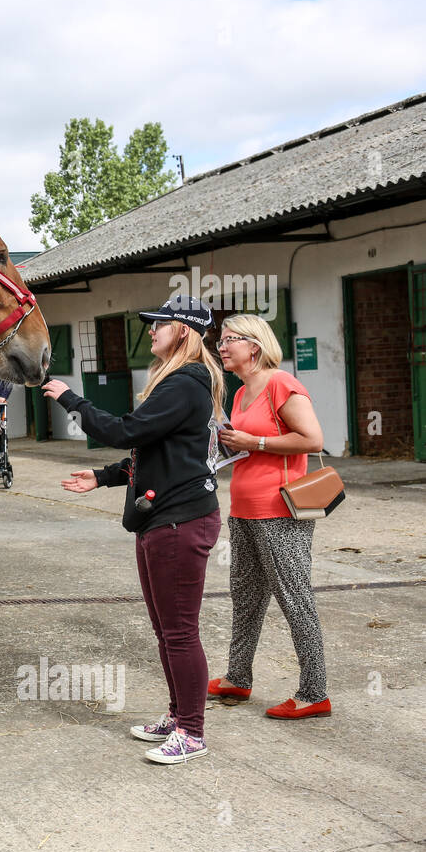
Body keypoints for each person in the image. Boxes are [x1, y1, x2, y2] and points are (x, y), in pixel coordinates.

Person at [43, 295, 224, 764]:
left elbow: (124, 430)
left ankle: (193, 732)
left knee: (179, 631)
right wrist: (103, 477)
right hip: (162, 516)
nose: (150, 331)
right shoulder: (180, 383)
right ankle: (179, 714)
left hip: (180, 519)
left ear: (184, 330)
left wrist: (70, 399)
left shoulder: (184, 384)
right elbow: (152, 450)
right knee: (167, 630)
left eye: (159, 323)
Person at [211, 314, 330, 719]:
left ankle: (315, 693)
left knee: (296, 601)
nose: (221, 347)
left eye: (229, 340)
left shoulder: (282, 383)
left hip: (279, 512)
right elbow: (247, 446)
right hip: (243, 511)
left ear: (254, 346)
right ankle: (237, 678)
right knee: (245, 600)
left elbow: (313, 439)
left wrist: (254, 441)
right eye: (220, 340)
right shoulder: (242, 391)